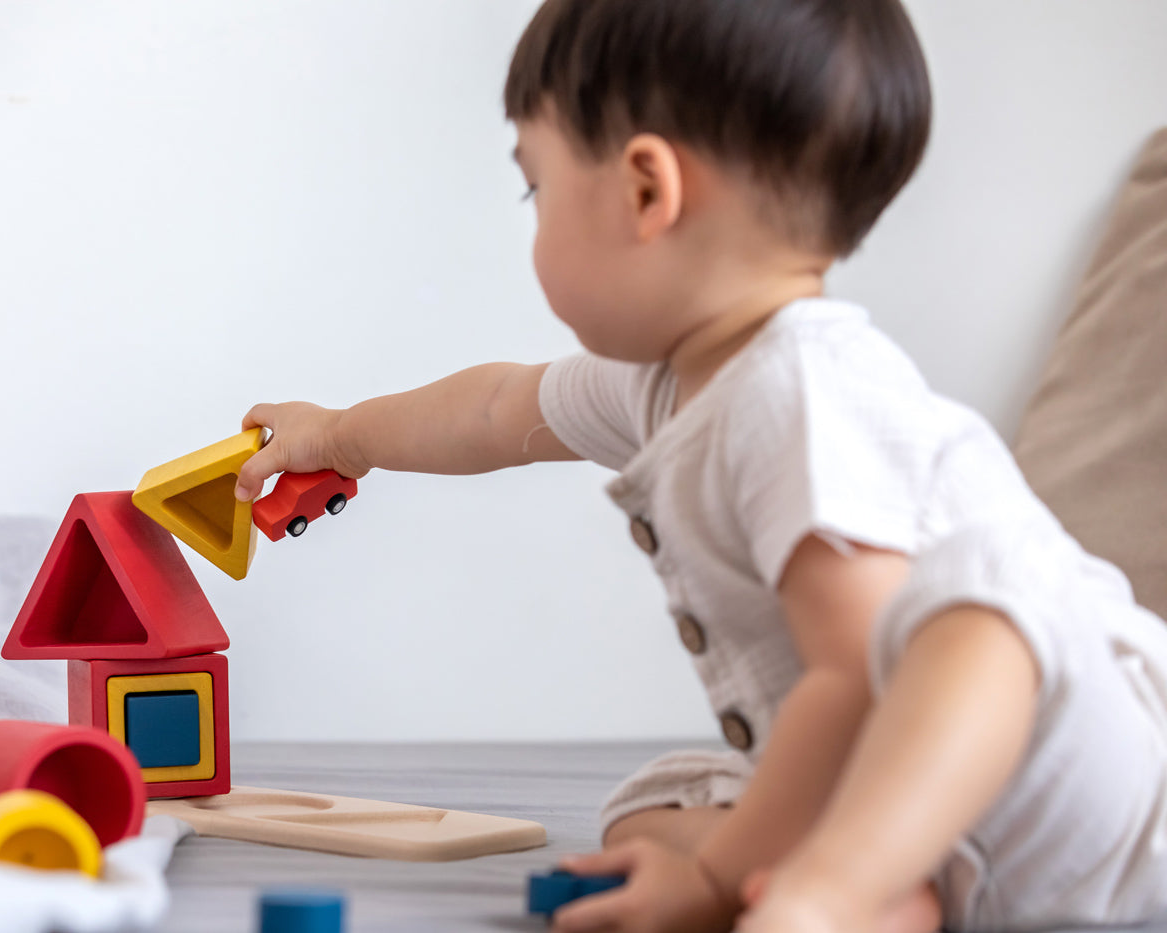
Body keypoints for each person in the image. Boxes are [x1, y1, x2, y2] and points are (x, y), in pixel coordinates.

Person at [232, 1, 1167, 931]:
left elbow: (855, 678)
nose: (533, 218)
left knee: (979, 620)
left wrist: (723, 877)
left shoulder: (798, 391)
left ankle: (830, 890)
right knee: (651, 811)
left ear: (646, 192)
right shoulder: (666, 381)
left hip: (1091, 793)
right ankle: (902, 892)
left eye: (536, 188)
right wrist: (340, 436)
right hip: (958, 825)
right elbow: (494, 410)